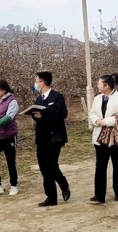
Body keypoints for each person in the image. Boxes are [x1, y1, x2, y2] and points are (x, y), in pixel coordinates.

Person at [89, 73, 118, 204]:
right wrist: (97, 121)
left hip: (115, 137)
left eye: (99, 83)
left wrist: (105, 122)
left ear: (106, 86)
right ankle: (99, 195)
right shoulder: (98, 98)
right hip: (100, 137)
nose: (97, 85)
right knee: (100, 166)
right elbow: (92, 113)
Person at [32, 71, 70, 207]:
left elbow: (62, 113)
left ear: (43, 82)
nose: (35, 84)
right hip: (42, 137)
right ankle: (51, 197)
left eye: (37, 81)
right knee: (43, 167)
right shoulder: (38, 99)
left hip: (55, 137)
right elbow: (37, 115)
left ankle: (63, 184)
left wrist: (45, 114)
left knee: (51, 165)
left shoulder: (57, 96)